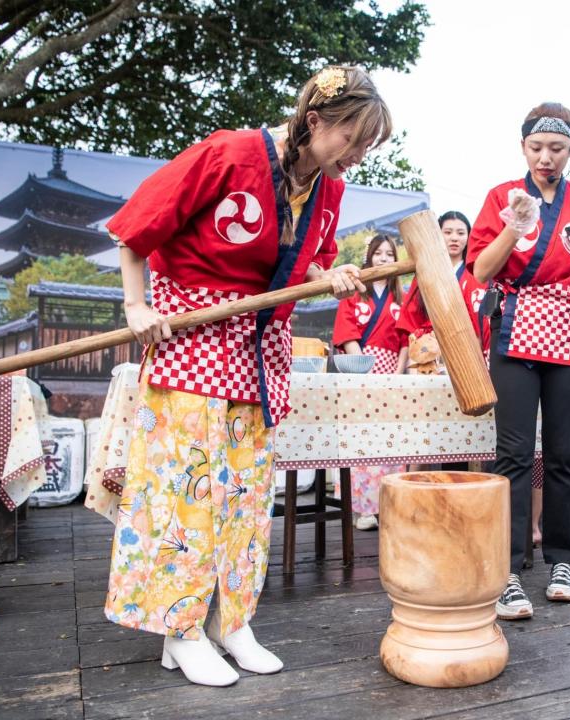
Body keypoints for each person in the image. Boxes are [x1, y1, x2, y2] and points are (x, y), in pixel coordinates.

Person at [103, 66, 391, 687]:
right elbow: (136, 229)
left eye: (370, 146)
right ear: (314, 121)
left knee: (245, 497)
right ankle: (178, 630)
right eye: (354, 139)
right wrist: (136, 307)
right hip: (192, 340)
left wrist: (332, 273)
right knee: (187, 493)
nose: (359, 156)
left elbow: (308, 262)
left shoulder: (327, 189)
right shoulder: (229, 153)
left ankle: (229, 622)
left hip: (261, 352)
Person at [468, 102, 570, 619]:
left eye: (556, 149)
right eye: (536, 148)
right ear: (523, 148)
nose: (546, 158)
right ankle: (508, 569)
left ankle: (564, 561)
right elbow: (483, 269)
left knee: (561, 450)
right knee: (510, 452)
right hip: (515, 326)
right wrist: (515, 225)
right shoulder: (501, 197)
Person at [332, 233, 404, 529]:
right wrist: (364, 369)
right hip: (360, 368)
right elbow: (347, 332)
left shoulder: (401, 295)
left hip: (393, 371)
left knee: (391, 440)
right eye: (379, 253)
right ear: (369, 256)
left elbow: (406, 337)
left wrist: (399, 373)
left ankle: (391, 504)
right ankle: (363, 509)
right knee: (362, 439)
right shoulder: (354, 292)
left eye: (389, 254)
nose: (384, 259)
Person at [397, 210, 489, 370]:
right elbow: (411, 320)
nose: (454, 237)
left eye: (461, 233)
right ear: (437, 235)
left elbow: (481, 322)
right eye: (447, 232)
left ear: (468, 237)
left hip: (467, 353)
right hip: (428, 352)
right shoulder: (424, 272)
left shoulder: (476, 272)